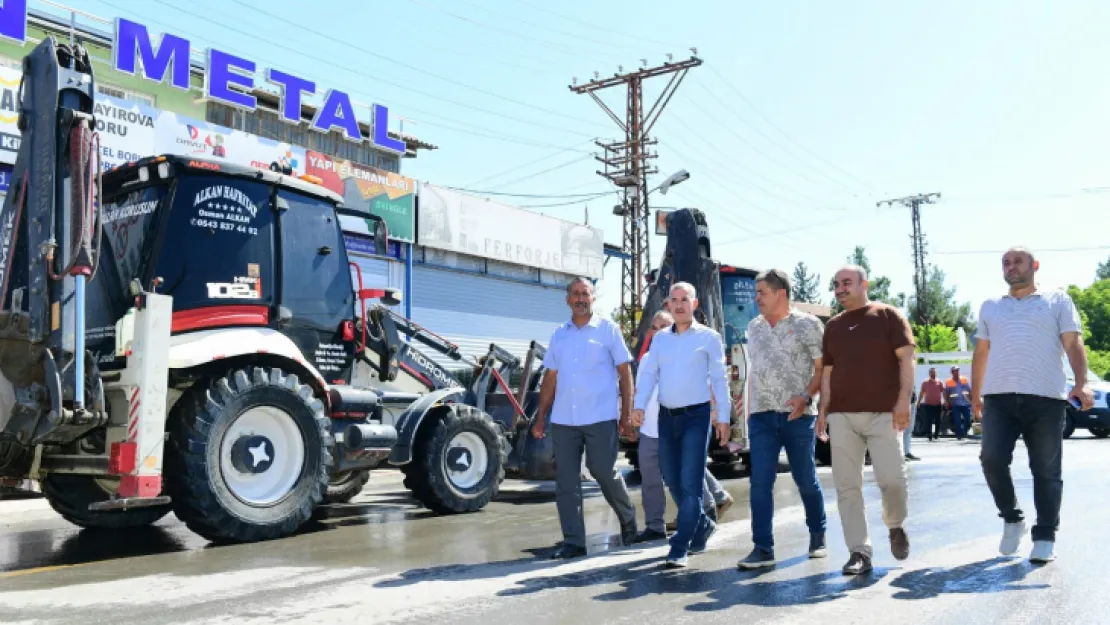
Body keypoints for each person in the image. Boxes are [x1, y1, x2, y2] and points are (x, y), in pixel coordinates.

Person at [971, 247, 1093, 564]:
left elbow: (1073, 342)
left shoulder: (1057, 301)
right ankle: (1012, 518)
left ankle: (1045, 536)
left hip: (1046, 399)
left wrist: (1081, 382)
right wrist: (975, 394)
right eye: (1006, 263)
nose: (1011, 267)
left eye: (1018, 262)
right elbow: (981, 352)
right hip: (999, 398)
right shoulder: (990, 306)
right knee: (991, 459)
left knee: (1046, 470)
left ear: (1034, 266)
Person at [531, 277, 638, 559]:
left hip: (600, 415)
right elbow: (551, 377)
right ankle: (574, 542)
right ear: (567, 299)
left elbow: (625, 373)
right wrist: (541, 416)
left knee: (603, 470)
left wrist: (626, 413)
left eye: (585, 294)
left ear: (593, 298)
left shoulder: (607, 330)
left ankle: (627, 518)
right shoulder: (559, 334)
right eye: (575, 294)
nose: (580, 299)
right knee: (566, 482)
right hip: (564, 418)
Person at [819, 265, 915, 575]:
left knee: (892, 480)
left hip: (883, 414)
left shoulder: (888, 316)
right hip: (842, 415)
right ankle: (859, 551)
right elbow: (828, 372)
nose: (840, 289)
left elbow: (906, 359)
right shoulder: (832, 326)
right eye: (836, 284)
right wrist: (823, 410)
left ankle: (895, 524)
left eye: (847, 283)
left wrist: (903, 400)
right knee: (847, 486)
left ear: (864, 284)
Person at [631, 282, 731, 568]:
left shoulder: (709, 338)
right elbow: (649, 374)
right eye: (673, 300)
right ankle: (701, 526)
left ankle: (679, 546)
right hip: (667, 417)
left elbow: (719, 380)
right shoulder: (661, 339)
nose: (678, 305)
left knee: (690, 483)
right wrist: (639, 405)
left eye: (683, 300)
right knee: (673, 479)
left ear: (694, 304)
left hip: (696, 418)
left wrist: (722, 416)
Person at [736, 269, 828, 569]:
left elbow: (822, 367)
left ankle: (818, 535)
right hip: (761, 417)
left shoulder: (808, 324)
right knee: (760, 483)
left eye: (762, 292)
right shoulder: (754, 327)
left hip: (798, 416)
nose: (756, 297)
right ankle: (762, 548)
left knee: (805, 479)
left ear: (781, 293)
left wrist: (806, 397)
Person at [919, 368, 945, 441]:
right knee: (929, 420)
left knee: (938, 420)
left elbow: (943, 392)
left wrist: (946, 401)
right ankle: (929, 435)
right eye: (932, 373)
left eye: (934, 373)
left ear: (936, 374)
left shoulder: (940, 382)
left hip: (938, 404)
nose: (933, 374)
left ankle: (936, 435)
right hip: (928, 404)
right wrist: (918, 402)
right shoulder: (925, 383)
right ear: (929, 374)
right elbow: (922, 393)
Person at [946, 366, 973, 439]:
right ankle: (960, 435)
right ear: (952, 372)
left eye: (958, 370)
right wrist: (947, 403)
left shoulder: (964, 379)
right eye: (955, 371)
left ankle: (965, 431)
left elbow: (969, 390)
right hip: (955, 404)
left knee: (968, 419)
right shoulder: (949, 381)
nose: (957, 372)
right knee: (957, 420)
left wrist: (972, 401)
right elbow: (946, 393)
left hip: (965, 403)